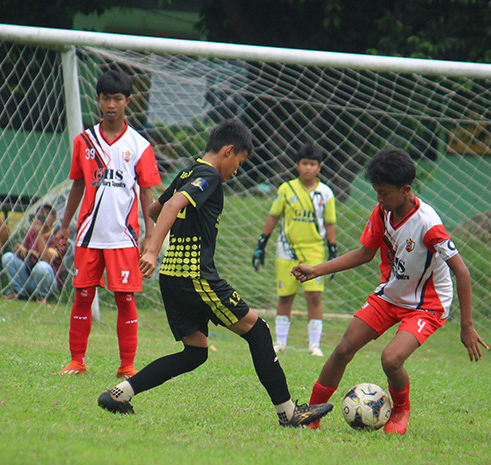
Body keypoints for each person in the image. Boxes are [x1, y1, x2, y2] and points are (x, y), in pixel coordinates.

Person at [96, 119, 333, 427]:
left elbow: (155, 209)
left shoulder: (188, 172)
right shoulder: (208, 174)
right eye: (239, 163)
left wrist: (156, 238)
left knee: (195, 352)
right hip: (194, 275)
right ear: (229, 151)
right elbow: (172, 205)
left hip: (172, 276)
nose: (236, 171)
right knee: (258, 331)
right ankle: (288, 413)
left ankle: (119, 394)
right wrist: (152, 250)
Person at [291, 149, 487, 434]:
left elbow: (462, 272)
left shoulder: (428, 224)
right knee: (344, 348)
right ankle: (312, 413)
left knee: (391, 359)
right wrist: (317, 270)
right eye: (376, 192)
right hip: (391, 294)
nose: (379, 199)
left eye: (384, 193)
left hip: (427, 305)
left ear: (405, 190)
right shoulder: (383, 212)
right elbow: (365, 253)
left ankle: (401, 409)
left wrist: (466, 325)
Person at [53, 69, 161, 378]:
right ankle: (77, 361)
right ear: (98, 100)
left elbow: (146, 192)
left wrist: (150, 236)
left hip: (124, 237)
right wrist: (65, 225)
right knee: (83, 295)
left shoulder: (139, 145)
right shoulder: (84, 141)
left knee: (125, 298)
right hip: (89, 235)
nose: (111, 105)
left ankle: (127, 366)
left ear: (128, 100)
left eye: (117, 99)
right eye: (105, 98)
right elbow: (77, 184)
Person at [252, 143, 337, 357]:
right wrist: (261, 244)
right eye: (305, 163)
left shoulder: (325, 193)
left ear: (319, 167)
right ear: (297, 165)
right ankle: (280, 342)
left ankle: (314, 345)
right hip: (286, 251)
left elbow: (329, 223)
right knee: (285, 297)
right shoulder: (286, 189)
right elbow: (274, 216)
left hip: (314, 252)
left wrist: (333, 250)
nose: (308, 168)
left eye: (313, 164)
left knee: (314, 297)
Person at [1, 203, 63, 303]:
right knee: (7, 257)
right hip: (30, 278)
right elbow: (25, 257)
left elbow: (47, 260)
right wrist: (20, 251)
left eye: (48, 213)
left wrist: (39, 235)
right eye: (41, 213)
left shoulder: (57, 236)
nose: (44, 216)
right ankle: (19, 292)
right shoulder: (31, 232)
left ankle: (42, 296)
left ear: (55, 218)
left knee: (41, 267)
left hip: (48, 282)